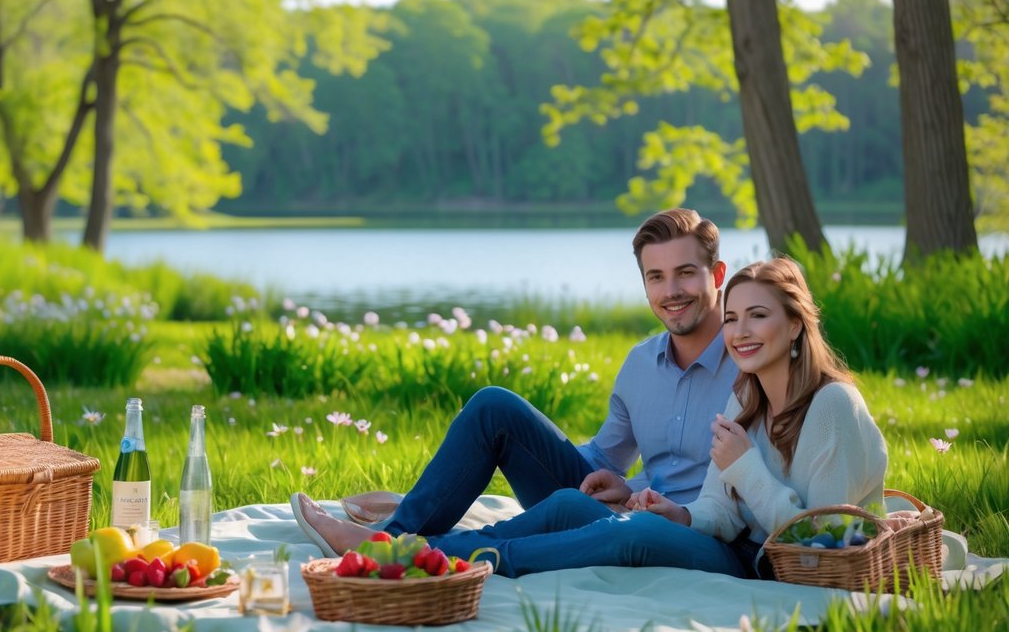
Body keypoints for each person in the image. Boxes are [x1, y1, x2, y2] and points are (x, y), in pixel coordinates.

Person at [297, 257, 889, 578]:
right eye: (732, 318)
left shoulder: (832, 406)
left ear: (795, 325)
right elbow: (713, 511)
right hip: (720, 540)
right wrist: (673, 509)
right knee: (563, 506)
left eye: (756, 316)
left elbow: (828, 543)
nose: (738, 331)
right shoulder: (745, 398)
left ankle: (457, 565)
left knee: (626, 536)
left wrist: (747, 471)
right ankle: (410, 548)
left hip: (763, 567)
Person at [292, 207, 738, 554]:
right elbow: (606, 457)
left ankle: (393, 542)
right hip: (625, 506)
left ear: (716, 275)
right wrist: (523, 463)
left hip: (684, 528)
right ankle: (404, 525)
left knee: (571, 507)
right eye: (656, 277)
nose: (671, 292)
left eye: (685, 273)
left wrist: (637, 492)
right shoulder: (641, 364)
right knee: (494, 406)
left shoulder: (749, 365)